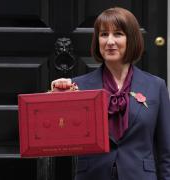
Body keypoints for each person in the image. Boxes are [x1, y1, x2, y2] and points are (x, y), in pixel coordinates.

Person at [51, 7, 170, 180]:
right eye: (104, 34)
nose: (110, 41)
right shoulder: (79, 86)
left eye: (118, 34)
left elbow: (166, 153)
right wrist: (57, 100)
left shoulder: (156, 86)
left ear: (132, 39)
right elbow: (60, 137)